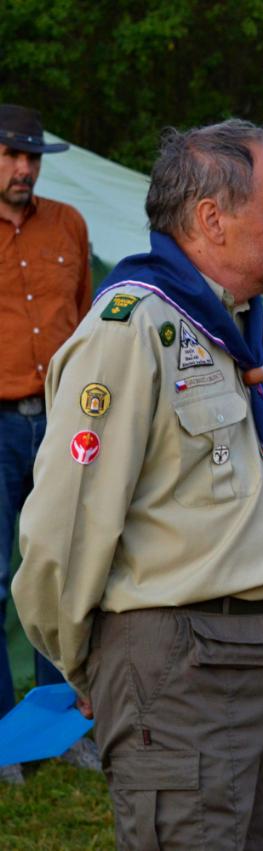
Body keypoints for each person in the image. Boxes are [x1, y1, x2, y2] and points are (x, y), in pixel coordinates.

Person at [13, 119, 263, 848]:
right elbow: (62, 529)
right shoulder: (129, 330)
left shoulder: (262, 336)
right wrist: (92, 664)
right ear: (212, 219)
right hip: (181, 664)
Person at [0, 103, 95, 784]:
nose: (23, 168)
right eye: (11, 154)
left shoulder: (69, 224)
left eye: (31, 157)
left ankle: (63, 731)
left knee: (61, 575)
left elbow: (87, 324)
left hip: (61, 422)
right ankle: (7, 740)